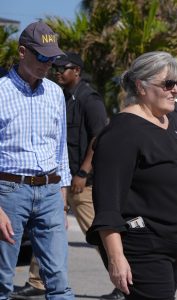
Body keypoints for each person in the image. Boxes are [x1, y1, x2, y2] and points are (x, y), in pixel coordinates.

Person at [85, 51, 177, 299]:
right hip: (145, 248)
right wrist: (116, 258)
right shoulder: (122, 132)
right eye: (168, 84)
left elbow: (176, 186)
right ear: (141, 86)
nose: (176, 91)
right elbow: (108, 205)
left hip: (174, 246)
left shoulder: (168, 124)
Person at [10, 53, 119, 300]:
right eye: (55, 67)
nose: (57, 71)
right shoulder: (58, 96)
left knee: (99, 232)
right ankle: (38, 281)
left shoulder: (89, 99)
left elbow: (98, 138)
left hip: (82, 181)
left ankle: (123, 281)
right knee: (45, 228)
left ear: (77, 71)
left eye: (63, 68)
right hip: (56, 177)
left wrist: (83, 172)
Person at [0, 21, 75, 299]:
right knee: (2, 278)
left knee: (58, 278)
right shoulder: (1, 92)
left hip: (49, 192)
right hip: (8, 193)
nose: (48, 64)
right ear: (22, 52)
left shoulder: (54, 93)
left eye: (52, 58)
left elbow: (60, 147)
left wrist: (62, 193)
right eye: (42, 57)